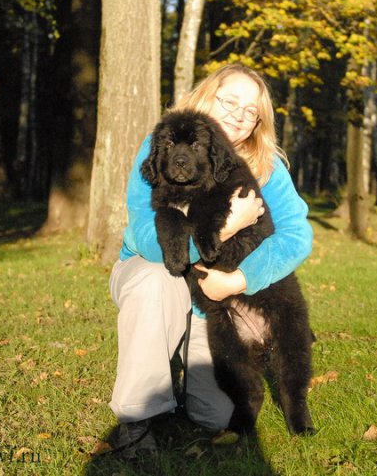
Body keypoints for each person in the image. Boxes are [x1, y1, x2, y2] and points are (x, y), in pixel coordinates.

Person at [108, 63, 313, 457]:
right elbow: (146, 237)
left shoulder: (263, 164)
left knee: (218, 415)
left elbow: (298, 234)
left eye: (250, 110)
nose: (238, 114)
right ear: (207, 95)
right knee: (157, 280)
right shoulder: (165, 144)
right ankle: (137, 420)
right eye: (229, 101)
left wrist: (240, 281)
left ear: (257, 123)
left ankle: (180, 363)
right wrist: (227, 227)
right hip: (152, 278)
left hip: (213, 304)